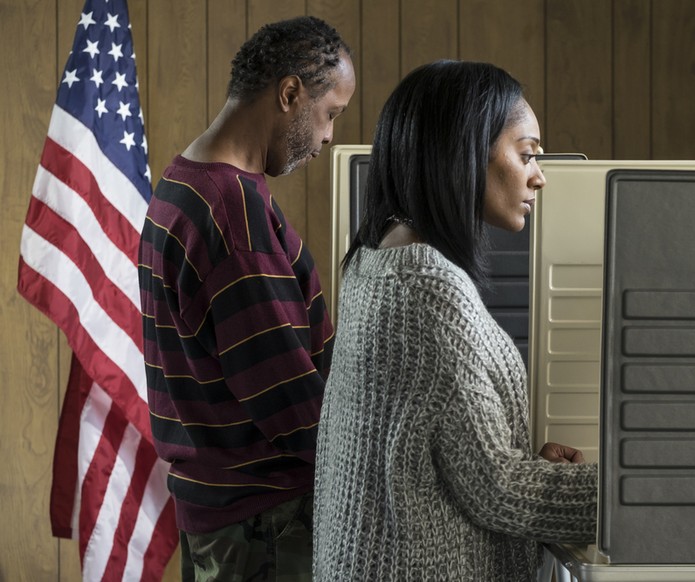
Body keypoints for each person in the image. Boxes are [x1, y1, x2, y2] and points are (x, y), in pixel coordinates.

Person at [312, 60, 597, 581]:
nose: (540, 174)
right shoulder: (427, 290)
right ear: (464, 150)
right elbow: (499, 491)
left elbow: (439, 454)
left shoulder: (375, 261)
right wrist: (634, 490)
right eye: (527, 153)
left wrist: (523, 459)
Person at [138, 16, 355, 581]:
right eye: (330, 113)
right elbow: (290, 401)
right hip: (265, 524)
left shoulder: (186, 180)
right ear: (289, 94)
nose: (329, 137)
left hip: (224, 515)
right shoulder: (231, 211)